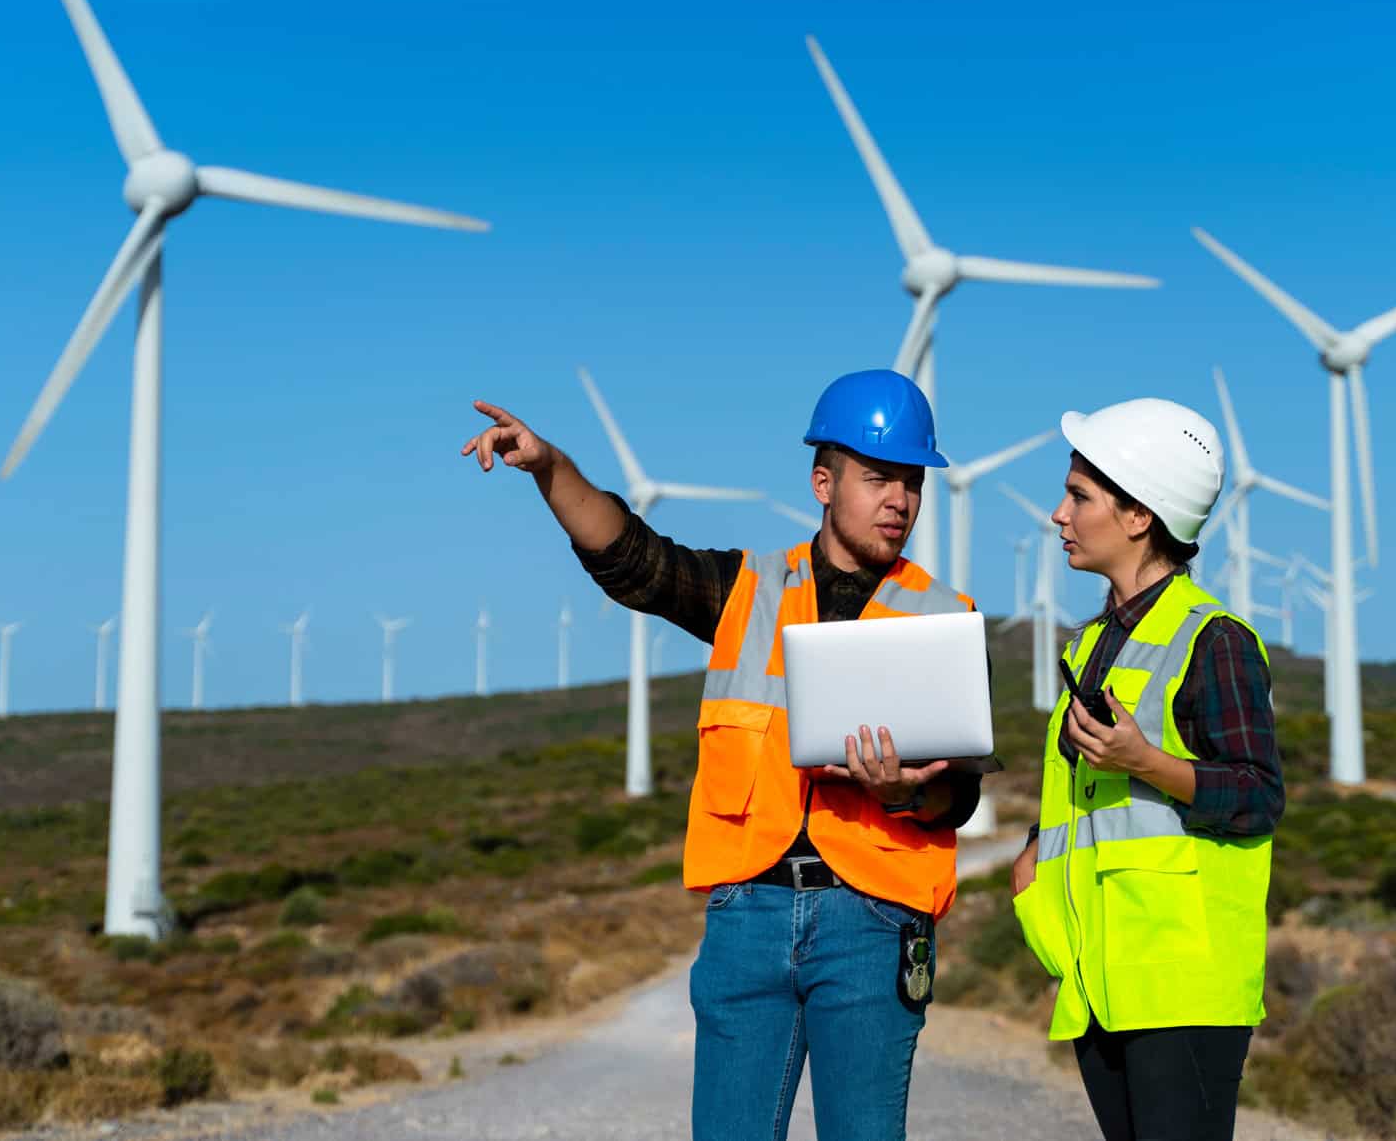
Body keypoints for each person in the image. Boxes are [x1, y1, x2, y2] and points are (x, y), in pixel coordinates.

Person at [463, 369, 986, 1141]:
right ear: (823, 482)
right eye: (879, 478)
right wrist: (550, 468)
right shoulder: (747, 589)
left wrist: (903, 794)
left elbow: (963, 795)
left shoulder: (944, 615)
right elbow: (631, 557)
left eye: (911, 482)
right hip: (749, 916)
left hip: (874, 921)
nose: (899, 500)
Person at [1008, 397, 1284, 1141]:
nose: (1058, 516)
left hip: (1182, 986)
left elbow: (1258, 796)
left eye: (1078, 497)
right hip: (1102, 984)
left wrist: (1147, 761)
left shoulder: (1212, 640)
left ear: (1139, 516)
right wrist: (1031, 857)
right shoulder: (1092, 644)